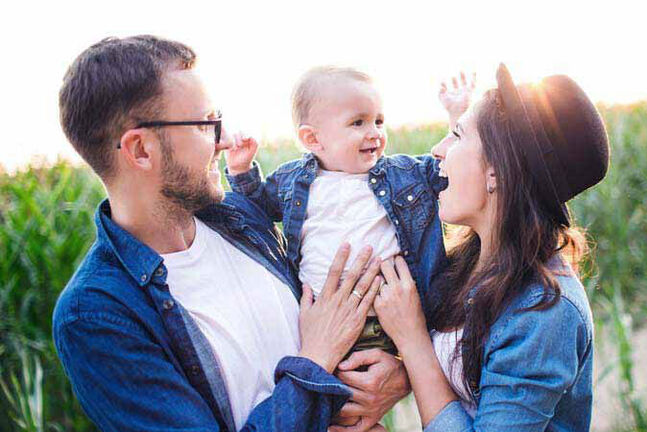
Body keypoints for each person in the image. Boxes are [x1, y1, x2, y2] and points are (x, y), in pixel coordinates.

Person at [52, 35, 408, 432]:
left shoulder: (241, 221)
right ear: (140, 150)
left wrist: (397, 374)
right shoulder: (98, 316)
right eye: (206, 124)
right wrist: (315, 361)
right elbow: (322, 344)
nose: (222, 140)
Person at [372, 64, 610, 431]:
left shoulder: (545, 313)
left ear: (496, 171)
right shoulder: (474, 261)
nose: (436, 149)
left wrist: (413, 340)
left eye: (455, 135)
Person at [225, 66, 472, 356]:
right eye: (358, 123)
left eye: (379, 121)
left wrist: (458, 118)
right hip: (319, 323)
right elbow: (255, 209)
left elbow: (447, 172)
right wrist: (241, 169)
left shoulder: (402, 175)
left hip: (389, 321)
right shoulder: (294, 182)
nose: (375, 133)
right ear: (313, 139)